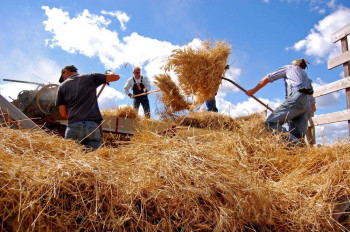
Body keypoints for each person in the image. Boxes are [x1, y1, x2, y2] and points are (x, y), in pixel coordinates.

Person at [246, 59, 316, 146]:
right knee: (296, 136)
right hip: (307, 106)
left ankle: (301, 146)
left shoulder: (289, 68)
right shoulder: (307, 79)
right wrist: (293, 114)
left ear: (295, 64)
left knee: (270, 124)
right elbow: (313, 107)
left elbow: (268, 78)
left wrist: (253, 91)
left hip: (297, 97)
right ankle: (300, 147)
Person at [55, 65, 120, 150]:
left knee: (70, 158)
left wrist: (76, 117)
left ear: (66, 71)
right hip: (92, 127)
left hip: (74, 126)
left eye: (63, 76)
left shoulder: (62, 86)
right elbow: (116, 77)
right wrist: (109, 72)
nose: (63, 80)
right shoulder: (90, 77)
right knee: (91, 159)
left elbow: (63, 113)